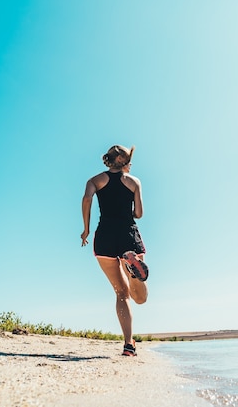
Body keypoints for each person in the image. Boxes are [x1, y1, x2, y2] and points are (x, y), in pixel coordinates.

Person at [81, 145, 149, 356]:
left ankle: (129, 344)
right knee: (139, 297)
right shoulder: (134, 182)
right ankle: (134, 272)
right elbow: (138, 213)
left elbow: (87, 199)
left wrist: (86, 229)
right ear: (124, 162)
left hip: (104, 237)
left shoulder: (95, 180)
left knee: (121, 293)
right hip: (128, 234)